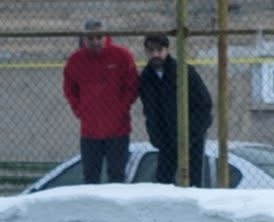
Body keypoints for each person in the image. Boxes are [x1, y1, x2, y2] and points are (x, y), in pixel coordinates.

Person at [62, 19, 138, 185]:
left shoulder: (122, 56)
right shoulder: (76, 60)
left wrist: (121, 108)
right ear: (84, 39)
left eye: (99, 37)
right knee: (90, 177)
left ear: (106, 36)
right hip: (90, 131)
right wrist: (80, 110)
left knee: (117, 177)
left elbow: (132, 86)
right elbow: (69, 88)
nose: (95, 42)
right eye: (91, 38)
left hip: (118, 129)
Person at [139, 33, 213, 187]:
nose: (155, 54)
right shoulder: (146, 78)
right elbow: (149, 112)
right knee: (163, 182)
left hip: (191, 139)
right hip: (166, 140)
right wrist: (156, 137)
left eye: (159, 50)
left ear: (167, 50)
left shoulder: (184, 72)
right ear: (146, 52)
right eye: (151, 51)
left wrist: (189, 134)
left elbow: (204, 105)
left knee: (193, 182)